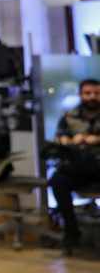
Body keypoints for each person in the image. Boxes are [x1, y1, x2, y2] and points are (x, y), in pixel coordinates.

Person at [47, 78, 100, 252]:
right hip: (79, 167)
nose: (92, 97)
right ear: (81, 95)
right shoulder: (70, 117)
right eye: (88, 93)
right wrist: (71, 141)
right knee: (57, 181)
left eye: (96, 93)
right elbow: (59, 139)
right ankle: (71, 230)